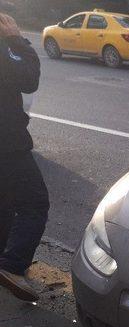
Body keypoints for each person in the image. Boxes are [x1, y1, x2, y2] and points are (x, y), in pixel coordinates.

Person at [0, 12, 47, 302]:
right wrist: (16, 40)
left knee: (4, 203)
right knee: (35, 203)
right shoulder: (6, 47)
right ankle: (13, 265)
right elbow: (28, 79)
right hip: (7, 143)